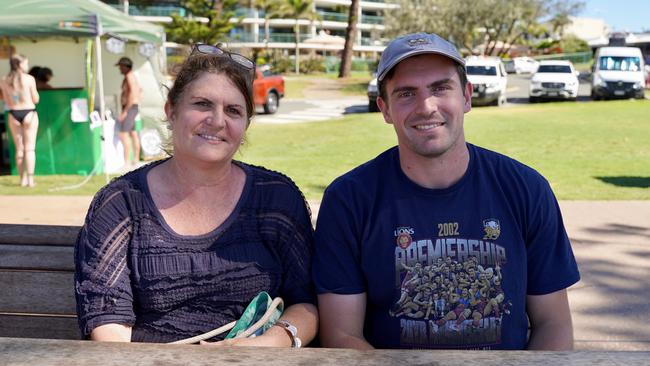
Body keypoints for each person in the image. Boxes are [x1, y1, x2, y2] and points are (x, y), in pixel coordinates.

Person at [313, 32, 580, 350]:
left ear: (466, 96)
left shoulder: (526, 189)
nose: (426, 106)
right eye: (406, 94)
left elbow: (554, 324)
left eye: (441, 88)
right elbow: (342, 335)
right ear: (384, 109)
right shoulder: (349, 199)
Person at [75, 45, 318, 346]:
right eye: (202, 104)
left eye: (233, 111)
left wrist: (267, 346)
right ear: (171, 110)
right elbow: (108, 325)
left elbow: (307, 304)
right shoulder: (120, 205)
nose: (217, 121)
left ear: (245, 124)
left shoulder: (277, 200)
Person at [0, 54, 40, 187]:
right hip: (29, 112)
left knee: (19, 149)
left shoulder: (4, 80)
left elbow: (3, 98)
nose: (27, 65)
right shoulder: (29, 79)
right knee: (30, 148)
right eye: (25, 63)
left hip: (13, 113)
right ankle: (30, 179)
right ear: (19, 64)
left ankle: (22, 179)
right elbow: (35, 99)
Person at [115, 57, 141, 167]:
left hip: (130, 108)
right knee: (133, 133)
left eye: (120, 66)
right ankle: (135, 159)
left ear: (126, 66)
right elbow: (140, 91)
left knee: (123, 134)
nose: (119, 69)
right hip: (132, 107)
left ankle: (126, 162)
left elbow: (133, 94)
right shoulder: (131, 76)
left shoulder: (129, 76)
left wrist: (125, 111)